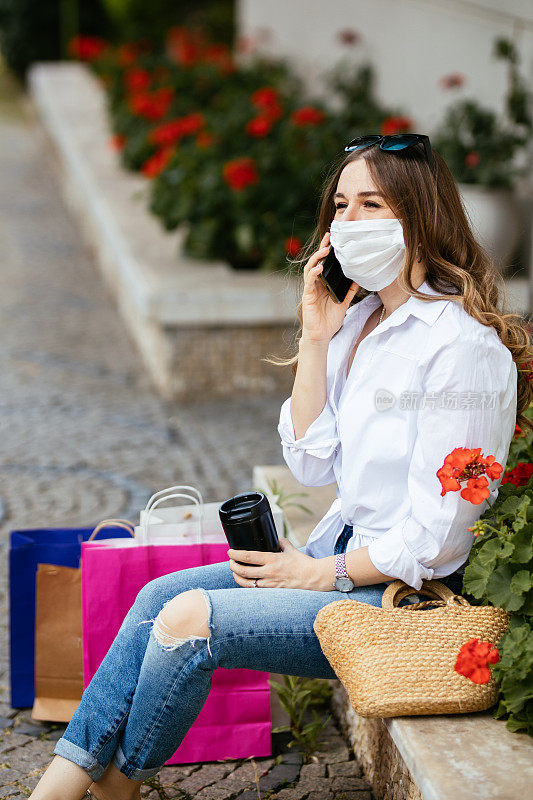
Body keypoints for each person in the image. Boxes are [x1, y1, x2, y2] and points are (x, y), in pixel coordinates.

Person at [29, 134, 531, 800]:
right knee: (154, 600)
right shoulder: (361, 325)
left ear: (418, 216)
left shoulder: (461, 349)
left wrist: (320, 572)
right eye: (340, 206)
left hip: (386, 598)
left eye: (369, 205)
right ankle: (89, 788)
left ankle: (105, 789)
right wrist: (316, 336)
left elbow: (440, 536)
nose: (346, 224)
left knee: (187, 621)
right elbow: (309, 458)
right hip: (332, 563)